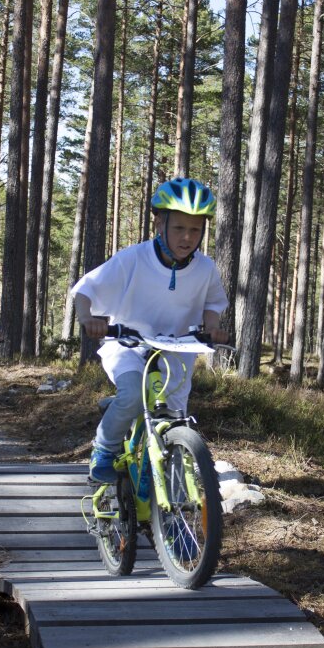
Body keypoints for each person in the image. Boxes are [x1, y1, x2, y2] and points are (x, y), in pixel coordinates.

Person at [72, 177, 228, 483]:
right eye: (179, 228)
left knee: (173, 418)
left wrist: (212, 328)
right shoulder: (134, 258)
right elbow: (85, 290)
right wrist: (87, 318)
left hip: (177, 349)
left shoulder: (205, 268)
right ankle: (104, 449)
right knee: (131, 396)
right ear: (159, 222)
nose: (187, 237)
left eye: (195, 230)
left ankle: (155, 478)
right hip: (127, 344)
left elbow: (213, 303)